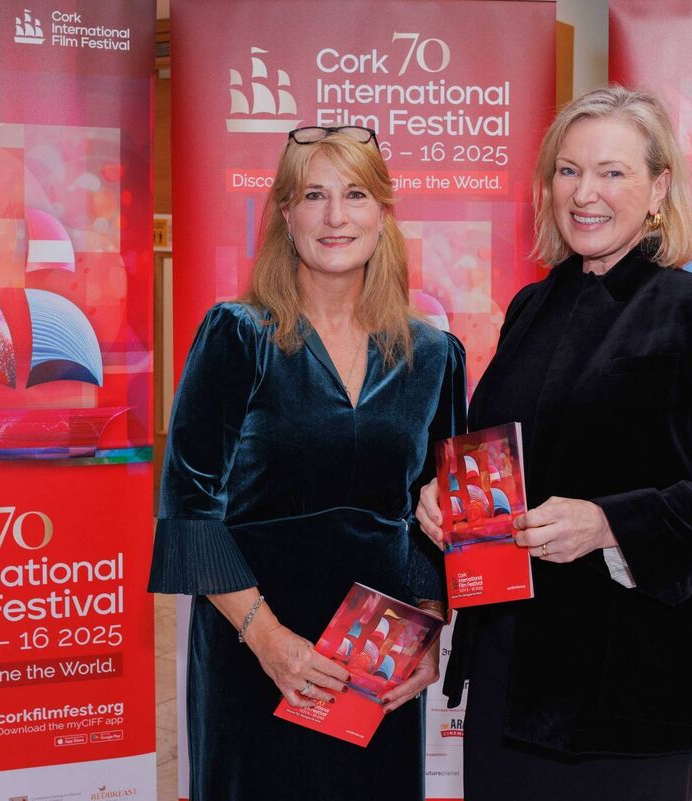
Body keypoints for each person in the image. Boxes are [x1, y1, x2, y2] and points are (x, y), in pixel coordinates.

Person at [416, 86, 692, 800]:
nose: (585, 193)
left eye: (612, 172)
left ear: (659, 188)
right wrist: (444, 495)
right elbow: (501, 455)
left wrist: (610, 521)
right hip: (508, 674)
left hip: (629, 690)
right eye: (568, 170)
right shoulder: (530, 306)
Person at [150, 126, 466, 801]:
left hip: (376, 663)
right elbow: (188, 505)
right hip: (252, 647)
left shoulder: (435, 355)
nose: (334, 216)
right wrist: (269, 640)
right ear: (285, 214)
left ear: (382, 211)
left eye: (354, 194)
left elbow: (441, 514)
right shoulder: (238, 336)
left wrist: (432, 622)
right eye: (312, 195)